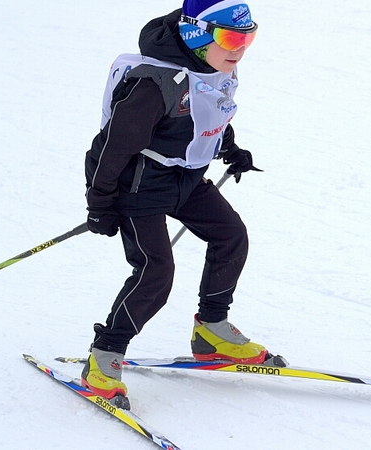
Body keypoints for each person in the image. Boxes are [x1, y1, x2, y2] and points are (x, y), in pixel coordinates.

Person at [82, 0, 284, 409]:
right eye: (230, 38)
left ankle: (211, 330)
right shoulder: (153, 86)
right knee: (156, 271)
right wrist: (99, 203)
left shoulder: (212, 66)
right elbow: (110, 147)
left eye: (247, 38)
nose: (240, 49)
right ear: (196, 35)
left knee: (230, 236)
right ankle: (104, 357)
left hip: (186, 179)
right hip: (139, 185)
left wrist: (229, 148)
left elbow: (211, 111)